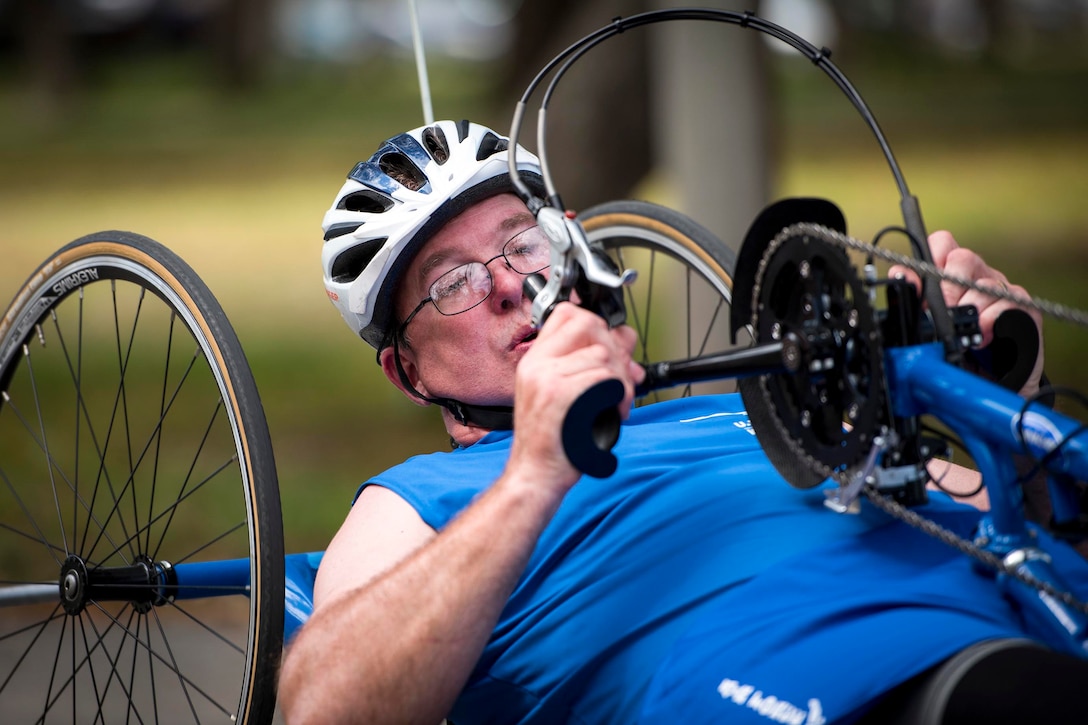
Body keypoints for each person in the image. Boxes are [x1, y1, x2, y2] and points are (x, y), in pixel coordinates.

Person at [277, 120, 1087, 724]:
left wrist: (1008, 393)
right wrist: (534, 470)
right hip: (807, 671)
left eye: (521, 242)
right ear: (408, 372)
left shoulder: (746, 407)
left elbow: (1012, 513)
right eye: (451, 281)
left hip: (998, 599)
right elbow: (322, 709)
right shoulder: (424, 496)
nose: (509, 286)